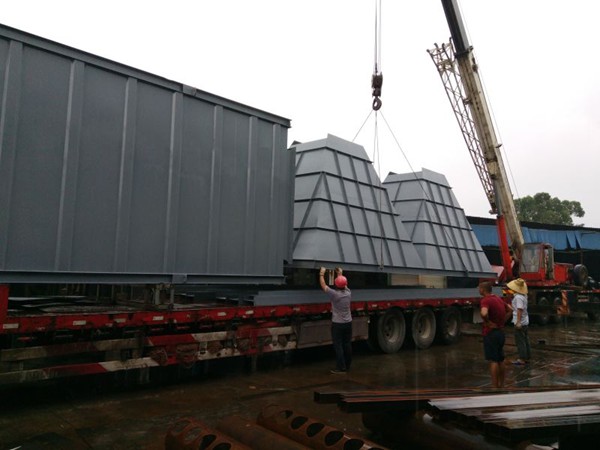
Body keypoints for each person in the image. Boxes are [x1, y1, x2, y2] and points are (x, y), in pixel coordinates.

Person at [479, 281, 512, 388]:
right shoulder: (498, 298)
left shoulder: (485, 300)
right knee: (500, 359)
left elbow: (484, 313)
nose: (478, 290)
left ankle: (494, 386)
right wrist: (503, 321)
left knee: (493, 361)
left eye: (479, 288)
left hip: (491, 333)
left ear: (483, 290)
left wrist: (487, 322)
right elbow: (510, 310)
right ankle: (501, 385)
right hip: (500, 332)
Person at [319, 267, 352, 374]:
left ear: (336, 285)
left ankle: (341, 368)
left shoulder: (334, 294)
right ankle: (347, 365)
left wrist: (321, 274)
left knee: (338, 346)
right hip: (348, 323)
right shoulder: (348, 293)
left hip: (338, 324)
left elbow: (323, 285)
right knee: (347, 344)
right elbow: (343, 285)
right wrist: (340, 274)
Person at [507, 278, 531, 366]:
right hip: (525, 321)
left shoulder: (518, 297)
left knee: (520, 341)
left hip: (520, 322)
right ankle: (527, 357)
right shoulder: (524, 296)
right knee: (525, 339)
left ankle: (522, 358)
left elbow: (519, 309)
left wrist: (518, 322)